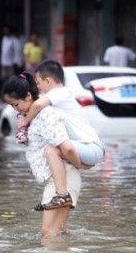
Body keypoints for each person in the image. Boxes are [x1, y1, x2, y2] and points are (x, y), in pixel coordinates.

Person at [16, 61, 104, 210]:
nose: (38, 87)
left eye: (38, 83)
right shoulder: (59, 95)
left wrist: (24, 121)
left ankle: (62, 195)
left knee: (52, 149)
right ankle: (56, 195)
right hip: (86, 148)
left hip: (91, 147)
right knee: (54, 147)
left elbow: (37, 105)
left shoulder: (60, 92)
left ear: (48, 81)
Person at [1, 73, 79, 237]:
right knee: (58, 233)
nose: (15, 110)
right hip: (57, 180)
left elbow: (68, 148)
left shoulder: (45, 115)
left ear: (28, 95)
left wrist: (80, 165)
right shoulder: (30, 116)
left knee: (47, 233)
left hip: (61, 182)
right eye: (12, 107)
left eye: (16, 104)